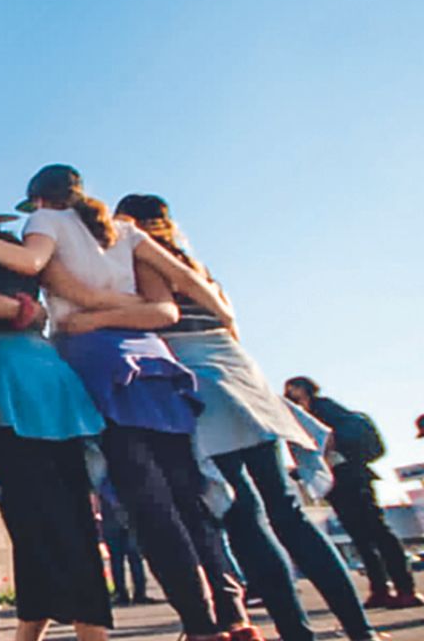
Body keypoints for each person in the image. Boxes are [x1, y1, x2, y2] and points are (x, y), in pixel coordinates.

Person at [0, 164, 260, 641]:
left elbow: (35, 271)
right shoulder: (125, 231)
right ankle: (232, 618)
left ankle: (200, 627)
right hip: (154, 366)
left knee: (146, 506)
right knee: (187, 496)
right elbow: (180, 293)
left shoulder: (41, 227)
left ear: (38, 202)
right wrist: (229, 325)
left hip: (94, 366)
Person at [114, 193, 384, 641]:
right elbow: (231, 326)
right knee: (288, 512)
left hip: (207, 386)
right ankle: (360, 630)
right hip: (248, 381)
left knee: (245, 518)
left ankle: (296, 632)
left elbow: (162, 316)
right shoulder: (199, 268)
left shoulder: (149, 263)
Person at [0, 181, 112, 641]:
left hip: (2, 382)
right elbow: (43, 305)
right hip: (52, 379)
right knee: (70, 514)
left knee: (33, 521)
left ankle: (91, 630)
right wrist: (30, 314)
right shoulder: (16, 247)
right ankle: (38, 632)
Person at [284, 376, 423, 609]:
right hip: (335, 481)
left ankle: (404, 588)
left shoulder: (324, 407)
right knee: (361, 537)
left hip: (351, 475)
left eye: (293, 387)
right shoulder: (302, 415)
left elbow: (330, 438)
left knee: (378, 532)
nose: (289, 392)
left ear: (305, 388)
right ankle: (380, 589)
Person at [98, 481, 151, 607]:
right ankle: (134, 593)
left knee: (123, 558)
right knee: (129, 558)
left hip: (115, 520)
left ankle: (126, 593)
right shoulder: (115, 479)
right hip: (122, 519)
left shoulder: (101, 481)